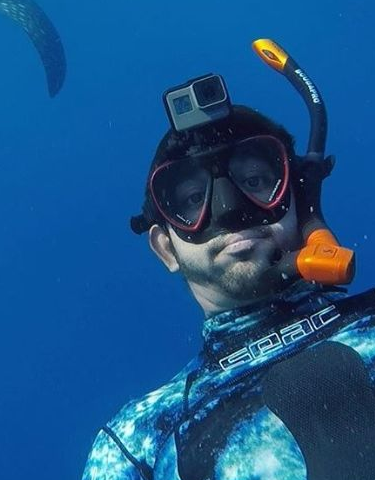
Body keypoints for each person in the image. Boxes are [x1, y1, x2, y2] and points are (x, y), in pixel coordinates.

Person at [82, 41, 375, 480]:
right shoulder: (139, 439)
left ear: (303, 201)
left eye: (256, 180)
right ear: (165, 247)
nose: (230, 211)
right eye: (194, 198)